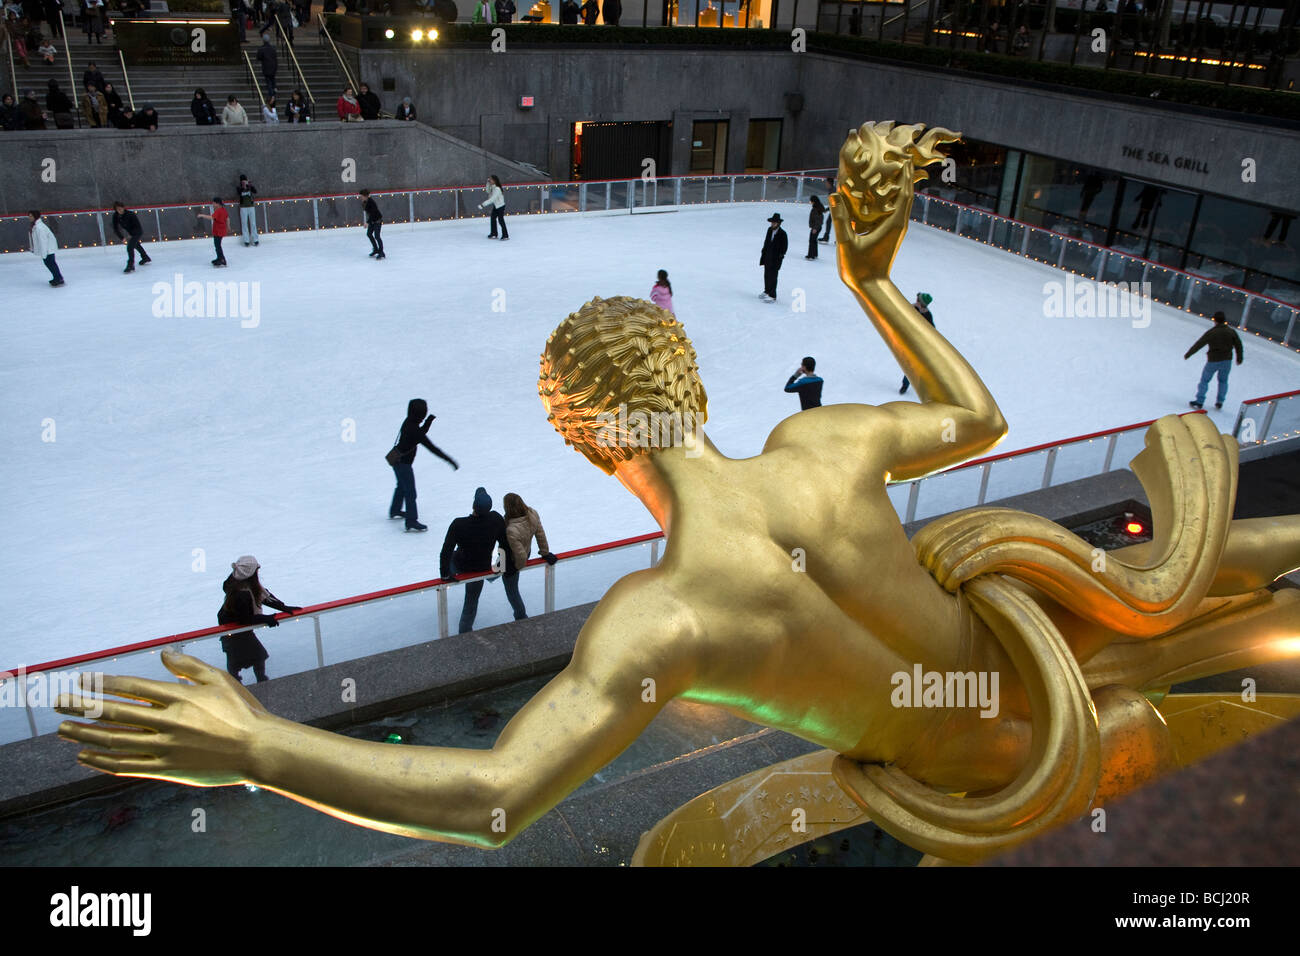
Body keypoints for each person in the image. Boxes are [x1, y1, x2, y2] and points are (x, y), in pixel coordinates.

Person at [59, 126, 1300, 858]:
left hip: (988, 794)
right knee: (1216, 575)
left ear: (588, 442)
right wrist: (873, 280)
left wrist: (256, 748)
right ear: (688, 369)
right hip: (1056, 666)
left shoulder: (662, 619)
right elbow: (983, 417)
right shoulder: (820, 442)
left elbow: (493, 798)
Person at [439, 487, 515, 634]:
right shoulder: (496, 519)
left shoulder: (459, 524)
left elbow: (446, 551)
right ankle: (465, 631)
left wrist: (445, 575)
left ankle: (464, 632)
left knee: (453, 558)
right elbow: (505, 545)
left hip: (461, 566)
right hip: (481, 568)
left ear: (473, 506)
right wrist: (499, 568)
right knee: (471, 601)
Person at [217, 555, 302, 683]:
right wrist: (267, 619)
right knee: (249, 656)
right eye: (257, 568)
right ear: (251, 572)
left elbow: (262, 594)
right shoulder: (241, 593)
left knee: (256, 655)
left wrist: (283, 607)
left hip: (237, 629)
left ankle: (258, 679)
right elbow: (245, 619)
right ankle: (241, 683)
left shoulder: (238, 581)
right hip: (232, 630)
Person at [387, 398, 458, 532]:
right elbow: (431, 447)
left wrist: (427, 423)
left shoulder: (408, 422)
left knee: (401, 486)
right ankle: (411, 521)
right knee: (410, 492)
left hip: (396, 460)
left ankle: (395, 509)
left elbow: (419, 435)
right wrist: (449, 460)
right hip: (404, 464)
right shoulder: (414, 429)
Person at [502, 493, 556, 621]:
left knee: (512, 590)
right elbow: (540, 534)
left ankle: (521, 616)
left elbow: (519, 555)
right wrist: (545, 552)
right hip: (526, 551)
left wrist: (517, 567)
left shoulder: (511, 529)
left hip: (514, 559)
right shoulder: (532, 514)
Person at [1185, 311, 1244, 410]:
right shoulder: (1231, 332)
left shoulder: (1212, 332)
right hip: (1227, 361)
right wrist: (1239, 358)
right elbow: (1238, 345)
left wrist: (1189, 354)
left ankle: (1199, 401)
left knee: (1204, 380)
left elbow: (1199, 343)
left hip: (1213, 360)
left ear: (1215, 320)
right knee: (1223, 381)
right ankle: (1220, 401)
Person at [899, 293, 934, 394]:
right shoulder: (911, 308)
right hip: (909, 341)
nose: (916, 300)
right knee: (910, 365)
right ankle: (905, 385)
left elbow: (932, 330)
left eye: (918, 300)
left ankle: (924, 386)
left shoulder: (927, 314)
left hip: (921, 344)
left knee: (918, 366)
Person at [110, 201, 152, 273]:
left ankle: (130, 265)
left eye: (120, 208)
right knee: (136, 245)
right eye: (117, 209)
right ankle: (145, 257)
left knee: (130, 247)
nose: (119, 210)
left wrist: (131, 235)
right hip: (131, 232)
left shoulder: (130, 214)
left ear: (123, 208)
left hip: (137, 231)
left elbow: (137, 226)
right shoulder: (115, 216)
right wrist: (122, 238)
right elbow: (115, 228)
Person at [29, 210, 64, 286]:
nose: (29, 217)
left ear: (35, 216)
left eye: (31, 216)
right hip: (48, 248)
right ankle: (58, 277)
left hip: (48, 249)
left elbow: (43, 241)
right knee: (50, 263)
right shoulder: (37, 226)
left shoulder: (39, 227)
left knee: (50, 263)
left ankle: (58, 278)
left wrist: (44, 253)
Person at [759, 212, 787, 302]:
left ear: (778, 223)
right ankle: (767, 291)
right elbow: (766, 242)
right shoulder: (769, 230)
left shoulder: (783, 234)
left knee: (773, 276)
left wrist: (780, 256)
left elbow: (784, 247)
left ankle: (772, 295)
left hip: (775, 259)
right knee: (766, 275)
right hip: (767, 256)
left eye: (774, 223)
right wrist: (763, 252)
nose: (772, 224)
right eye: (772, 222)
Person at [196, 197, 229, 267]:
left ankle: (222, 259)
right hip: (220, 230)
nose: (213, 204)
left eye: (214, 203)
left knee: (217, 246)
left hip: (218, 231)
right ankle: (219, 258)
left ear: (217, 203)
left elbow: (212, 217)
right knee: (217, 245)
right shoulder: (223, 210)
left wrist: (202, 215)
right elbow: (227, 218)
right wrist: (228, 226)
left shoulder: (219, 211)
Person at [479, 175, 508, 240]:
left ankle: (505, 235)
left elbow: (492, 199)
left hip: (500, 206)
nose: (490, 180)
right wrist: (487, 183)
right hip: (496, 206)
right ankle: (494, 234)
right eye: (490, 179)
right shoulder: (493, 187)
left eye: (491, 180)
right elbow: (488, 191)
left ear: (495, 180)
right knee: (493, 218)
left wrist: (483, 205)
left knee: (501, 220)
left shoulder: (497, 189)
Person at [360, 188, 384, 259]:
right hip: (372, 221)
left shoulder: (371, 202)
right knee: (369, 234)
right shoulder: (365, 202)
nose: (360, 198)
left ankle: (381, 252)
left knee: (377, 236)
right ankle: (376, 249)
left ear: (365, 196)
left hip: (377, 221)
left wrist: (367, 222)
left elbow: (373, 213)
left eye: (361, 196)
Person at [236, 174, 260, 246]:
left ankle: (255, 239)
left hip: (251, 206)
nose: (244, 182)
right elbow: (239, 192)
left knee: (253, 223)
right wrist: (243, 187)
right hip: (243, 207)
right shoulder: (238, 187)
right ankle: (246, 240)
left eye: (245, 180)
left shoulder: (249, 186)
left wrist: (249, 185)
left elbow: (255, 191)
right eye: (242, 181)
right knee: (244, 224)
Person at [256, 33, 278, 98]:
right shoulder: (272, 48)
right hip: (273, 66)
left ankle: (271, 94)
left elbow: (258, 57)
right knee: (272, 79)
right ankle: (274, 89)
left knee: (268, 81)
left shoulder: (262, 49)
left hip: (266, 66)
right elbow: (275, 57)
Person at [805, 195, 825, 260]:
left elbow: (818, 219)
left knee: (812, 240)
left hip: (816, 227)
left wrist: (815, 228)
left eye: (811, 201)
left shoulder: (816, 209)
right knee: (814, 240)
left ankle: (811, 255)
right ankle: (815, 254)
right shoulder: (818, 207)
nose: (810, 202)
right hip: (817, 227)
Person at [819, 176, 834, 243]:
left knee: (830, 222)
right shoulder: (831, 190)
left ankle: (826, 237)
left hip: (836, 209)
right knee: (829, 222)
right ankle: (826, 237)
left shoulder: (832, 191)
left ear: (829, 183)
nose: (826, 184)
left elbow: (834, 202)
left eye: (826, 183)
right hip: (834, 209)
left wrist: (827, 209)